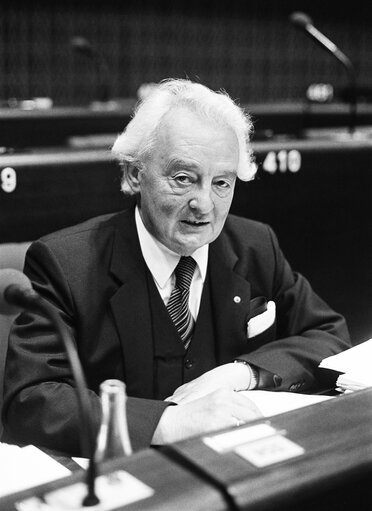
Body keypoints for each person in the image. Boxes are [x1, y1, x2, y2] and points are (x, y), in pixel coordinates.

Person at [2, 79, 350, 455]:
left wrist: (243, 373)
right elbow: (29, 401)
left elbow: (329, 336)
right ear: (135, 174)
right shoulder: (66, 263)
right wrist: (165, 423)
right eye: (184, 179)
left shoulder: (254, 245)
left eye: (221, 183)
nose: (204, 204)